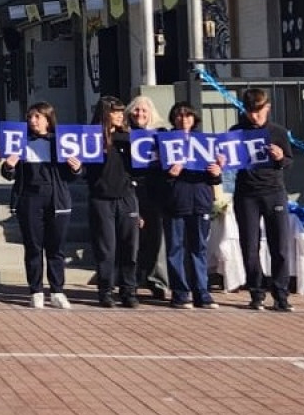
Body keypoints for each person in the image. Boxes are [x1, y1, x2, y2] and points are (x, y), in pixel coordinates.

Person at [0, 102, 81, 309]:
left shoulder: (61, 142)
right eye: (30, 117)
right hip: (29, 200)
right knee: (33, 247)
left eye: (37, 116)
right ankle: (35, 290)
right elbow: (9, 174)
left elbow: (72, 176)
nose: (33, 121)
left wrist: (76, 168)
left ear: (48, 119)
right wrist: (9, 165)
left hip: (57, 200)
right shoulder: (20, 141)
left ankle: (57, 290)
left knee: (56, 248)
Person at [230, 87, 294, 311]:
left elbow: (288, 160)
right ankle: (256, 292)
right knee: (250, 246)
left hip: (273, 191)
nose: (254, 116)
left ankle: (281, 294)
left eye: (258, 111)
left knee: (280, 246)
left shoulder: (278, 131)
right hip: (247, 194)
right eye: (250, 111)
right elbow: (229, 159)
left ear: (267, 108)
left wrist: (280, 157)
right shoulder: (237, 130)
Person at [164, 101, 221, 309]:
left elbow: (213, 177)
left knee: (199, 248)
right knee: (175, 248)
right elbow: (157, 176)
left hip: (200, 201)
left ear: (194, 118)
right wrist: (170, 175)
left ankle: (202, 293)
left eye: (187, 116)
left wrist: (216, 172)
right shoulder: (165, 141)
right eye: (179, 116)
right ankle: (180, 293)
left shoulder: (204, 142)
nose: (183, 119)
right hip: (175, 202)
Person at [84, 95, 140, 308]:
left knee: (129, 247)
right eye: (114, 111)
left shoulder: (130, 138)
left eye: (120, 111)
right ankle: (106, 290)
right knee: (106, 248)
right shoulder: (92, 139)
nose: (119, 115)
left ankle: (129, 291)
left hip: (126, 197)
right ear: (104, 114)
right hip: (101, 199)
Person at [125, 95, 170, 301]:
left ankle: (156, 280)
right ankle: (130, 281)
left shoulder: (162, 134)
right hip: (132, 190)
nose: (140, 114)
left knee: (157, 239)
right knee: (133, 239)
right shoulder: (124, 136)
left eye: (144, 111)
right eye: (136, 110)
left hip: (157, 191)